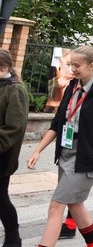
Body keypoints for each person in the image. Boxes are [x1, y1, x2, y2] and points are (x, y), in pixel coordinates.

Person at [27, 45, 93, 247]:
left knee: (56, 205)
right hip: (66, 153)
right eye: (70, 64)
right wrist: (38, 150)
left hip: (85, 158)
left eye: (77, 65)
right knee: (75, 205)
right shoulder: (72, 87)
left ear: (91, 66)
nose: (72, 69)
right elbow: (57, 124)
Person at [0, 49, 29, 247]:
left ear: (4, 67)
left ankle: (13, 238)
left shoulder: (15, 89)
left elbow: (14, 128)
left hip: (3, 154)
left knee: (0, 198)